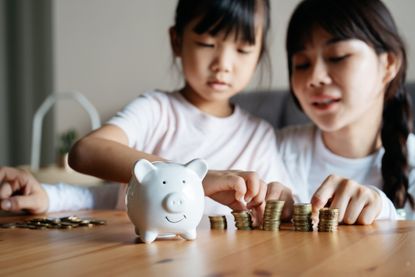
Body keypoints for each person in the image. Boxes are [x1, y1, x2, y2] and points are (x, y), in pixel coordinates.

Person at [0, 0, 291, 218]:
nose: (223, 64)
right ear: (176, 41)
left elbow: (277, 207)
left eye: (242, 50)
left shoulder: (259, 136)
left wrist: (283, 199)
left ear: (260, 53)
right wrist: (195, 178)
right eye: (207, 43)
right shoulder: (156, 110)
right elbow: (85, 152)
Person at [277, 0, 415, 223]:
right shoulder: (270, 149)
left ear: (388, 64)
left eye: (337, 57)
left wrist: (383, 212)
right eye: (302, 64)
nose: (315, 78)